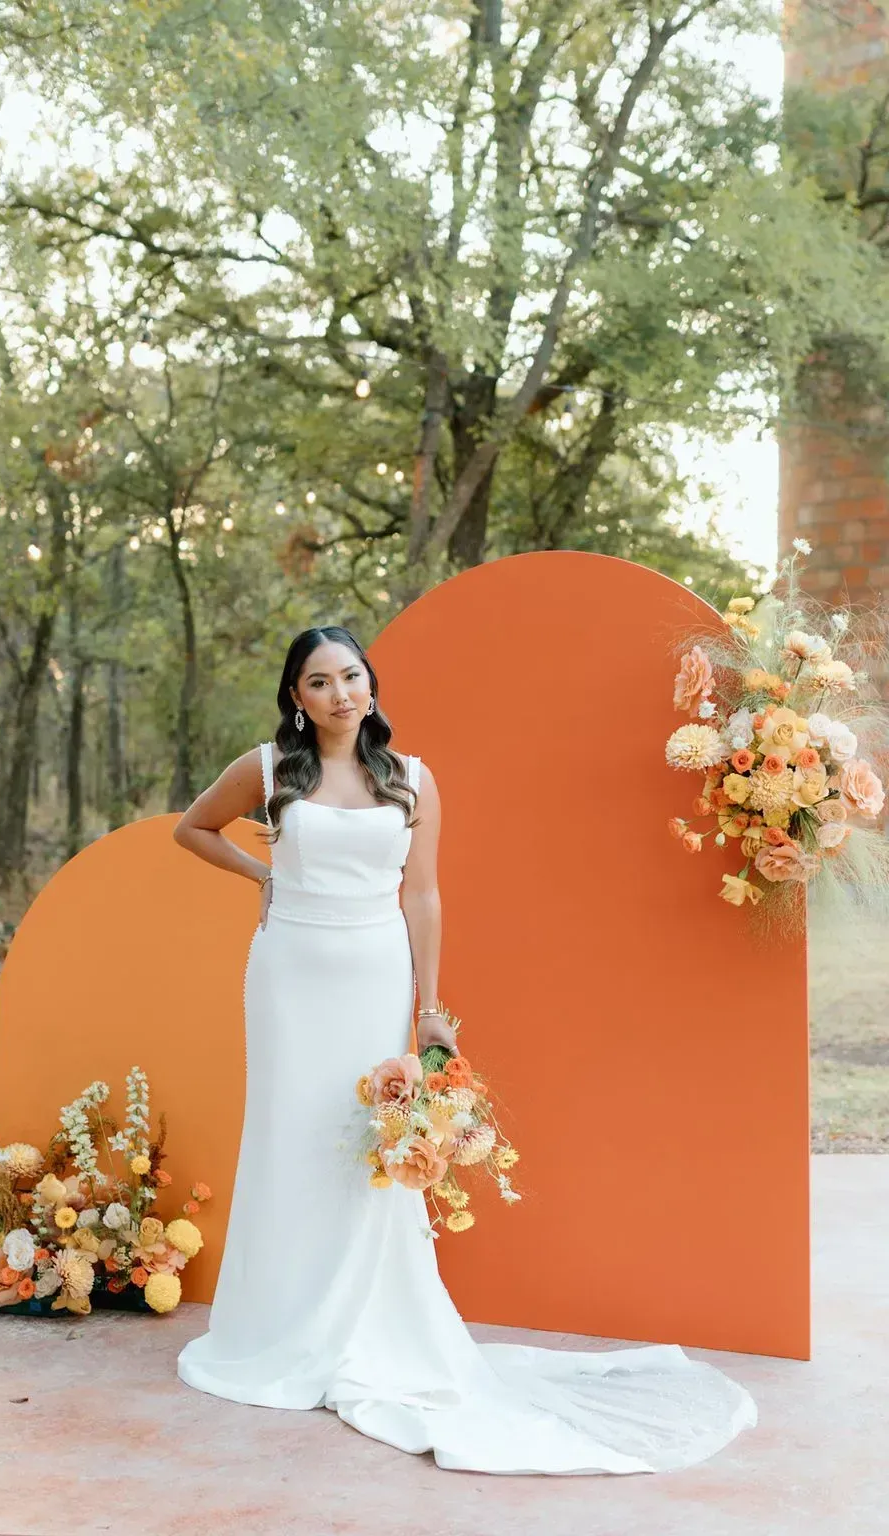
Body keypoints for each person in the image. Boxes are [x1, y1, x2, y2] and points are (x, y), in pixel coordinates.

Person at [172, 624, 758, 1474]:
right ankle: (277, 1324)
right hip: (289, 973)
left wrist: (428, 1012)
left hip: (375, 973)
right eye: (319, 683)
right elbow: (191, 829)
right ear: (296, 699)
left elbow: (425, 896)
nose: (341, 694)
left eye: (351, 676)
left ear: (370, 682)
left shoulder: (411, 779)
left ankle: (367, 1321)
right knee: (288, 1138)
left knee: (366, 1141)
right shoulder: (267, 770)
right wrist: (264, 876)